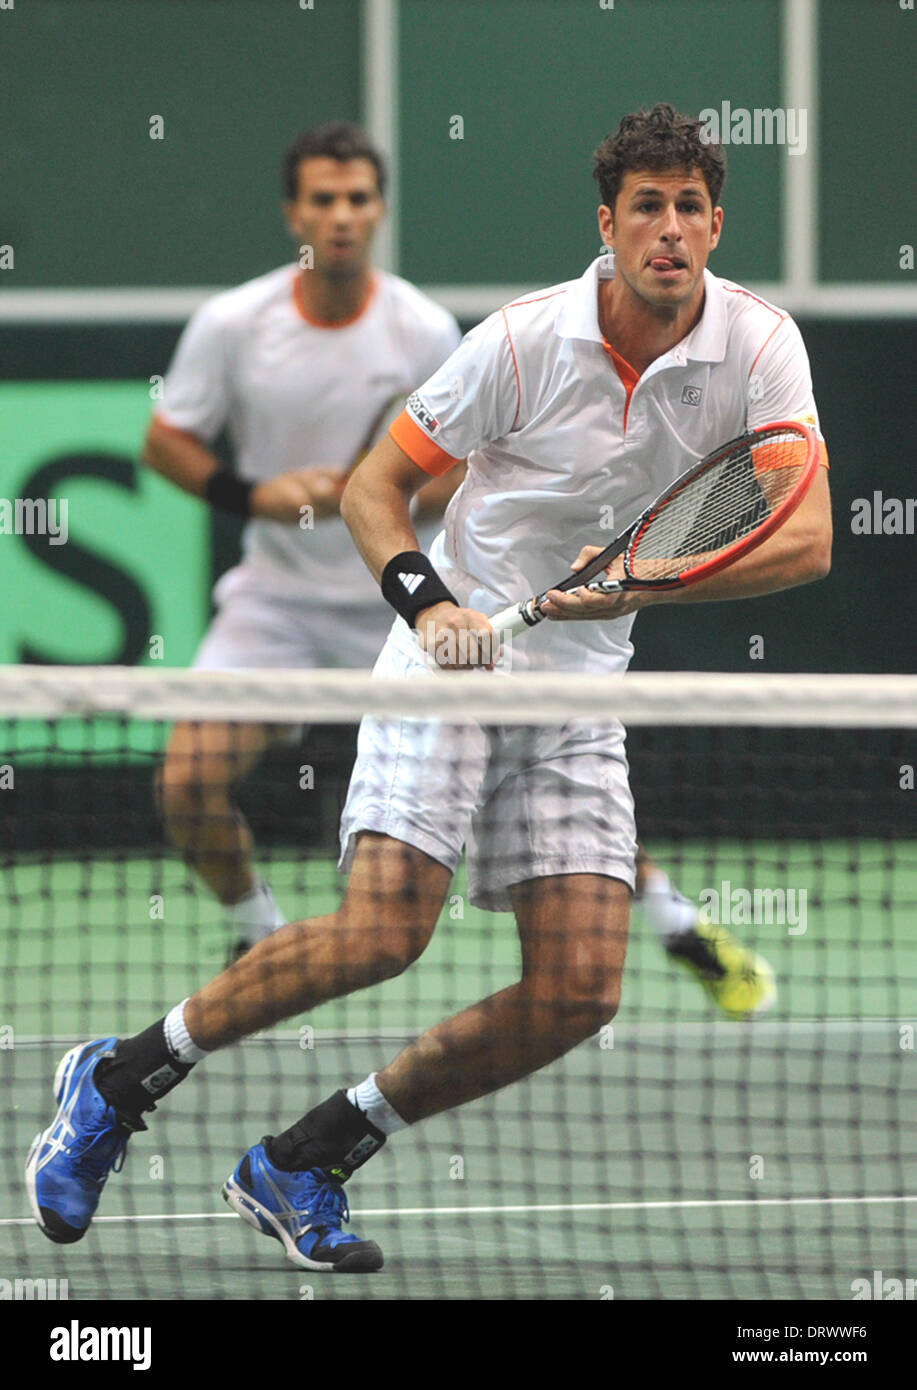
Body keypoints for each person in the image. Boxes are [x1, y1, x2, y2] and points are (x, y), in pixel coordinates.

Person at [27, 104, 829, 1271]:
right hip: (449, 660)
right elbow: (372, 487)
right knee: (382, 932)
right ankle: (117, 1078)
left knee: (577, 988)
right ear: (605, 224)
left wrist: (640, 588)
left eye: (689, 206)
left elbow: (803, 539)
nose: (668, 229)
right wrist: (433, 605)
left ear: (715, 223)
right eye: (644, 206)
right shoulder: (518, 341)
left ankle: (305, 1155)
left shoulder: (760, 348)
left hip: (580, 683)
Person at [142, 121, 461, 958]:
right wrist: (258, 497)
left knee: (519, 764)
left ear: (380, 208)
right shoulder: (232, 323)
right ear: (294, 213)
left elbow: (465, 470)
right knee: (185, 784)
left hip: (395, 607)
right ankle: (262, 934)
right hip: (274, 607)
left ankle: (675, 921)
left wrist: (376, 497)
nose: (342, 216)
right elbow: (165, 441)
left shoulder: (424, 332)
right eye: (324, 199)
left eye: (358, 198)